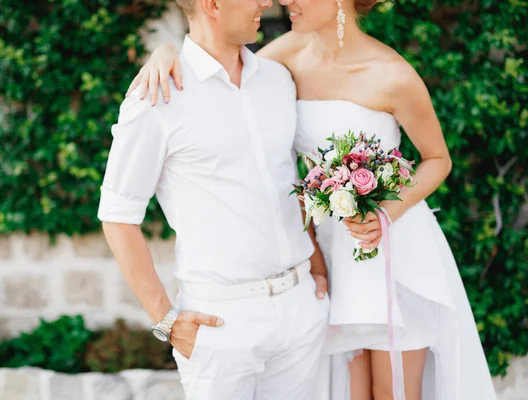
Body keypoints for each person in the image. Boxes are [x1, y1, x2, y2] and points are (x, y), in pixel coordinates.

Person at [127, 0, 497, 399]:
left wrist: (386, 214)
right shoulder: (282, 57)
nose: (283, 0)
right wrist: (165, 53)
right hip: (328, 256)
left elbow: (438, 159)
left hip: (391, 247)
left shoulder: (392, 74)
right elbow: (216, 62)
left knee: (394, 393)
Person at [97, 0, 331, 399]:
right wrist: (165, 320)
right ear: (212, 4)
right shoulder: (157, 94)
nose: (266, 3)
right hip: (220, 322)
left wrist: (316, 268)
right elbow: (118, 215)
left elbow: (287, 183)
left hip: (300, 309)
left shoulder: (278, 80)